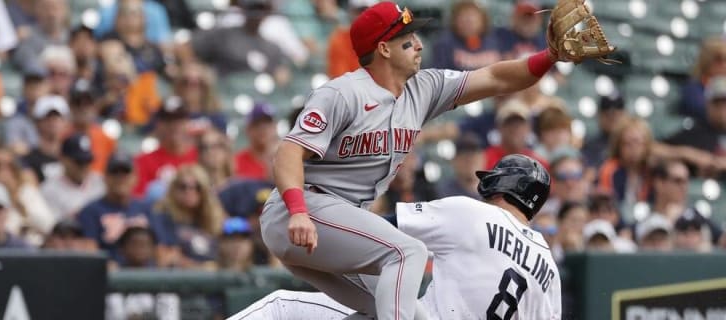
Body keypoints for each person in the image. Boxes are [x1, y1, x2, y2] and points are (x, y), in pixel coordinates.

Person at [262, 1, 579, 318]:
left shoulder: (423, 88)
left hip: (341, 225)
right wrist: (298, 211)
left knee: (408, 311)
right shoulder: (343, 93)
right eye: (408, 38)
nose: (419, 44)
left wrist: (549, 57)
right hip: (301, 212)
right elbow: (289, 151)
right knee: (407, 251)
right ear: (384, 49)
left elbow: (496, 78)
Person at [235, 154, 560, 319]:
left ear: (503, 183)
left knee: (282, 308)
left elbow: (375, 232)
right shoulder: (549, 268)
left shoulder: (473, 213)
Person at [40, 134, 106, 220]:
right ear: (63, 158)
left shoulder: (100, 181)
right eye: (79, 162)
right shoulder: (48, 190)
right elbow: (53, 227)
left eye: (88, 161)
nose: (84, 166)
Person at [234, 102, 278, 181]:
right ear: (248, 129)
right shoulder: (236, 162)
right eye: (257, 124)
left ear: (275, 127)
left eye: (267, 123)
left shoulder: (285, 157)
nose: (263, 128)